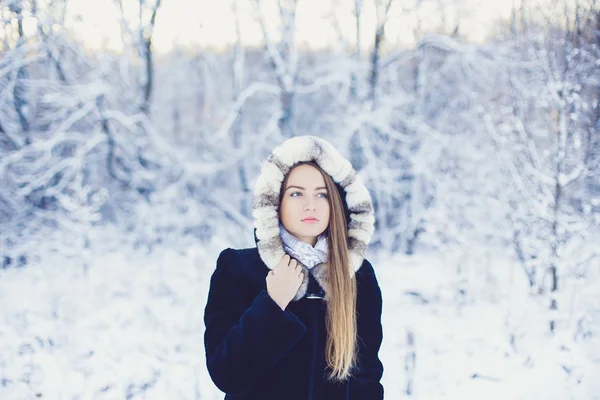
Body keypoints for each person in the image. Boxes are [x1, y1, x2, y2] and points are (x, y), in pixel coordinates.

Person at [203, 135, 384, 400]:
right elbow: (226, 373)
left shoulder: (358, 276)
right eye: (296, 193)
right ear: (275, 202)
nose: (310, 204)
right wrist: (272, 305)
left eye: (321, 194)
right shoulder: (237, 269)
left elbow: (366, 382)